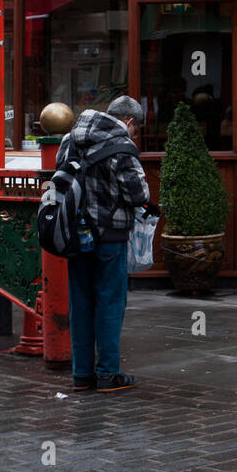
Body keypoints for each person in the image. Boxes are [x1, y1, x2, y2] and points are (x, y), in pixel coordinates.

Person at [57, 95, 149, 394]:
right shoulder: (123, 147)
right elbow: (138, 195)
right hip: (109, 236)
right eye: (136, 129)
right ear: (130, 121)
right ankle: (109, 374)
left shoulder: (70, 139)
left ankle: (81, 375)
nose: (134, 134)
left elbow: (58, 179)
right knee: (110, 304)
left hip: (74, 235)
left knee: (80, 304)